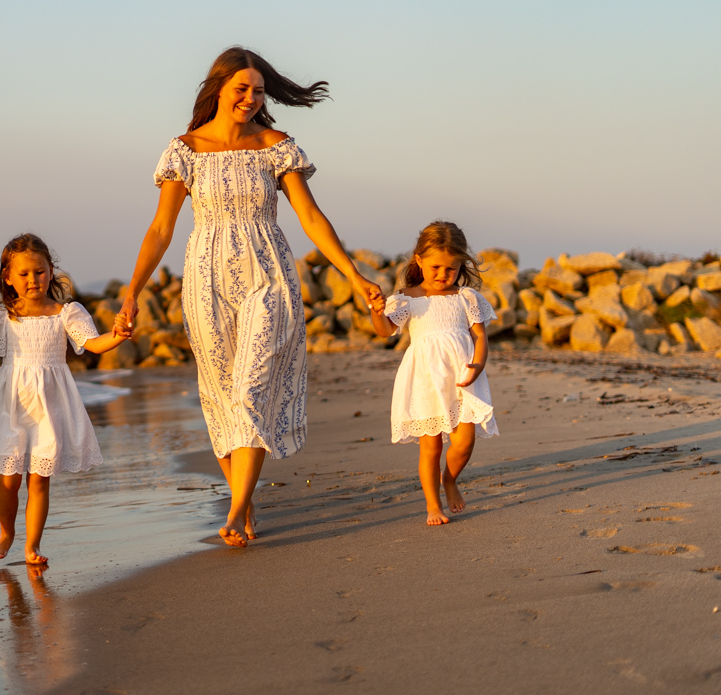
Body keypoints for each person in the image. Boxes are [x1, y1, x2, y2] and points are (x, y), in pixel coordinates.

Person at [115, 47, 384, 548]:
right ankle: (244, 495)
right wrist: (132, 293)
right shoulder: (185, 150)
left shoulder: (275, 146)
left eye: (258, 91)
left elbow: (310, 217)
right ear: (218, 88)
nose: (251, 98)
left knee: (251, 388)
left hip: (269, 275)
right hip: (206, 280)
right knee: (221, 397)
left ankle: (237, 508)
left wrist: (352, 274)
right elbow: (160, 229)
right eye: (242, 89)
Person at [0, 234, 128, 564]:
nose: (33, 279)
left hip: (50, 404)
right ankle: (6, 532)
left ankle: (32, 545)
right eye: (24, 273)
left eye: (40, 272)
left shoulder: (66, 313)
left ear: (51, 272)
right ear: (8, 277)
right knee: (9, 477)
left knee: (39, 478)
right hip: (12, 404)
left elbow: (93, 343)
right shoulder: (0, 315)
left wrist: (116, 336)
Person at [368, 221, 499, 525]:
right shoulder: (407, 298)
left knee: (464, 442)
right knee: (431, 446)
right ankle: (432, 505)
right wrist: (376, 311)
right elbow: (385, 330)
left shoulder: (466, 298)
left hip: (462, 378)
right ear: (419, 260)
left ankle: (449, 479)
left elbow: (480, 337)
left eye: (450, 269)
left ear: (461, 265)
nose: (443, 274)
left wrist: (478, 365)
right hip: (425, 380)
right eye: (435, 267)